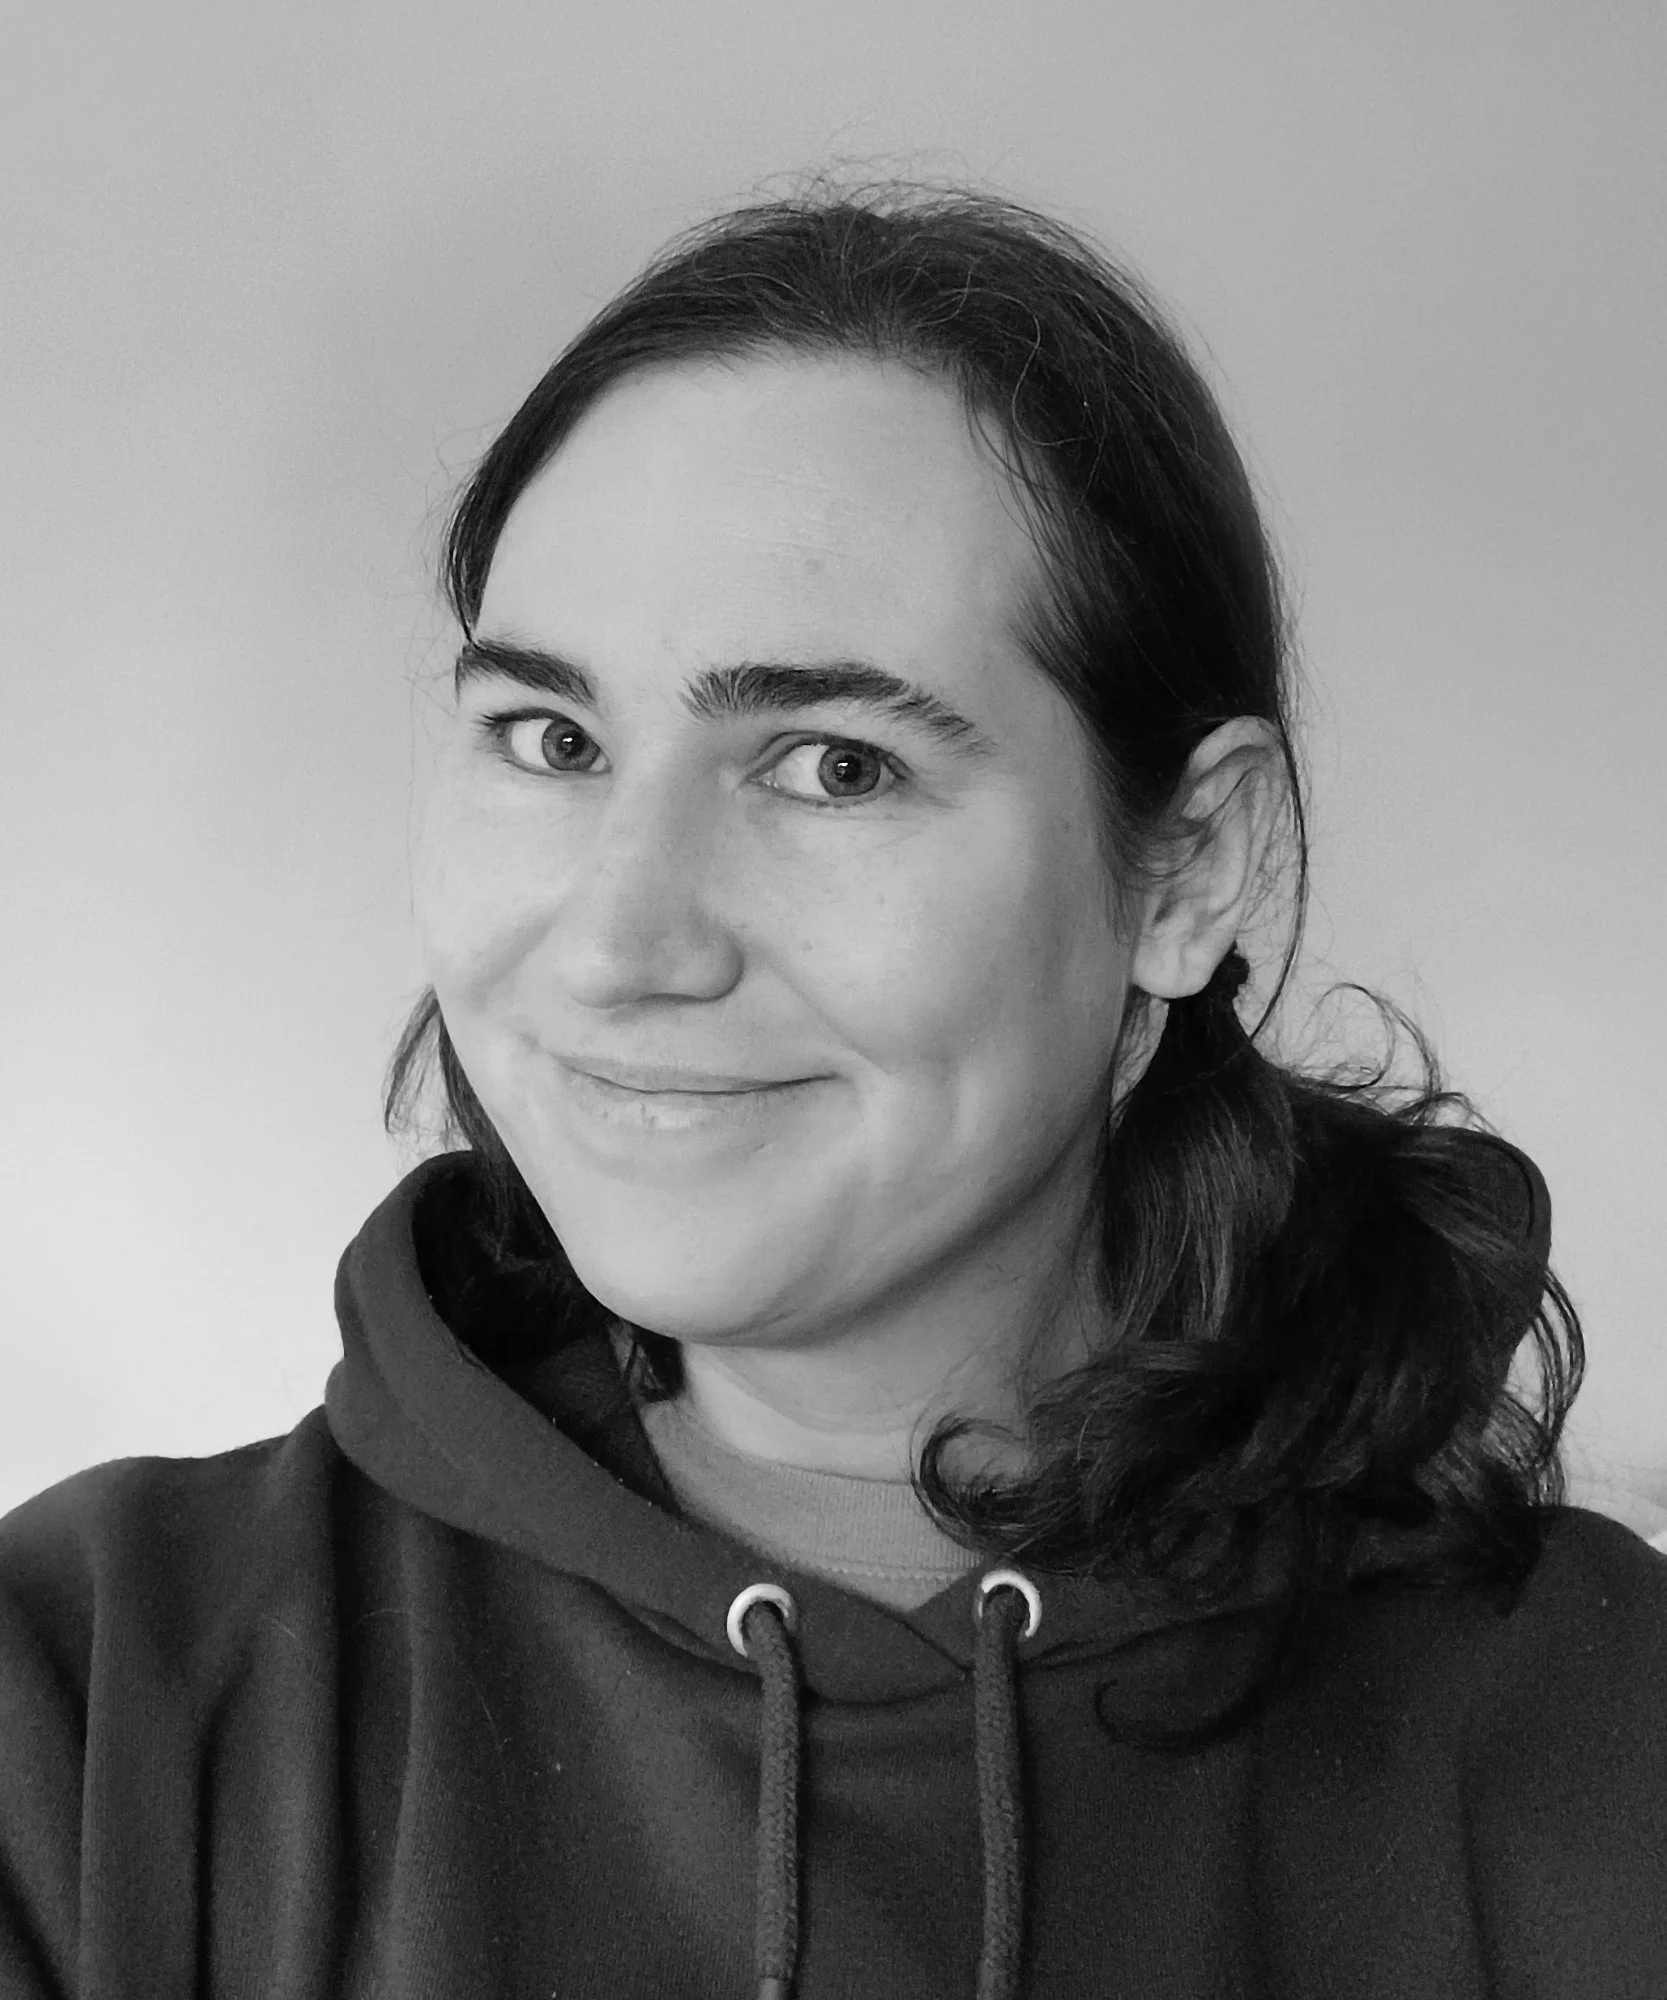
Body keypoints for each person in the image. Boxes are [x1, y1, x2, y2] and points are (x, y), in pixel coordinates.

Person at [2, 182, 1663, 2000]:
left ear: (1192, 867)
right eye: (550, 739)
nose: (620, 943)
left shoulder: (1605, 1737)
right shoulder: (82, 1705)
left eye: (833, 767)